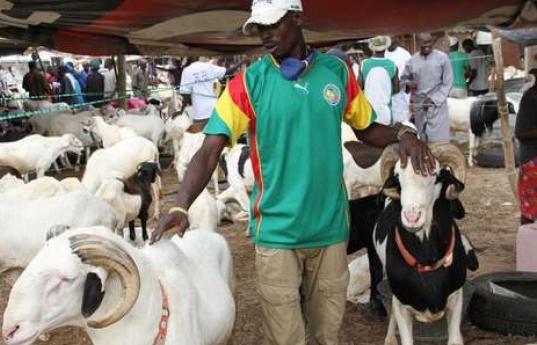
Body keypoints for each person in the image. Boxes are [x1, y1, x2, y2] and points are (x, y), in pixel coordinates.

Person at [150, 1, 435, 344]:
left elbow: (367, 128)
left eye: (273, 24)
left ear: (297, 18)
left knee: (326, 335)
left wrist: (404, 133)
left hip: (329, 232)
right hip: (276, 235)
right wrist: (181, 205)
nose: (265, 35)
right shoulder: (248, 83)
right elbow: (209, 150)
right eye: (259, 28)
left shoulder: (337, 73)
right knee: (286, 339)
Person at [402, 33, 453, 143]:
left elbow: (448, 83)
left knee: (439, 142)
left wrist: (434, 99)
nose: (428, 45)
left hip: (437, 106)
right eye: (424, 42)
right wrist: (409, 84)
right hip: (419, 106)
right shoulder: (412, 61)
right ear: (418, 42)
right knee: (422, 139)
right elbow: (403, 80)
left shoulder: (442, 58)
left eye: (430, 42)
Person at [179, 56, 244, 126]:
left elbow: (185, 95)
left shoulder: (187, 70)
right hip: (215, 111)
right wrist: (242, 62)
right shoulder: (208, 66)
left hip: (200, 113)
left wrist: (181, 110)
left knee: (200, 135)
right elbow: (227, 71)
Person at [357, 36, 400, 125]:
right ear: (386, 47)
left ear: (372, 47)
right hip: (385, 114)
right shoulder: (392, 65)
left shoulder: (364, 64)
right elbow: (396, 89)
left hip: (368, 114)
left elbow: (358, 89)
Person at [515, 68, 537, 225]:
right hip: (532, 161)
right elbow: (520, 133)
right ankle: (527, 247)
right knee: (530, 212)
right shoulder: (530, 97)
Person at [385, 35, 413, 123]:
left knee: (401, 123)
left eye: (392, 37)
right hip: (385, 95)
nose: (390, 39)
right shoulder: (382, 54)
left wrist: (404, 84)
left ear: (397, 39)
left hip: (401, 96)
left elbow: (412, 75)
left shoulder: (405, 54)